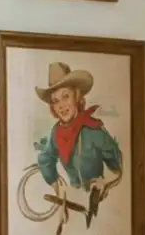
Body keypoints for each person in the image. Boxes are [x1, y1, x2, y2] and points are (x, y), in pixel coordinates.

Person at [35, 63, 122, 226]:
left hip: (100, 206)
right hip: (72, 205)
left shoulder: (94, 130)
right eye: (55, 100)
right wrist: (58, 191)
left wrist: (105, 182)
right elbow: (46, 159)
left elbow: (118, 166)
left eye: (65, 96)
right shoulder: (56, 132)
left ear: (77, 96)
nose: (61, 105)